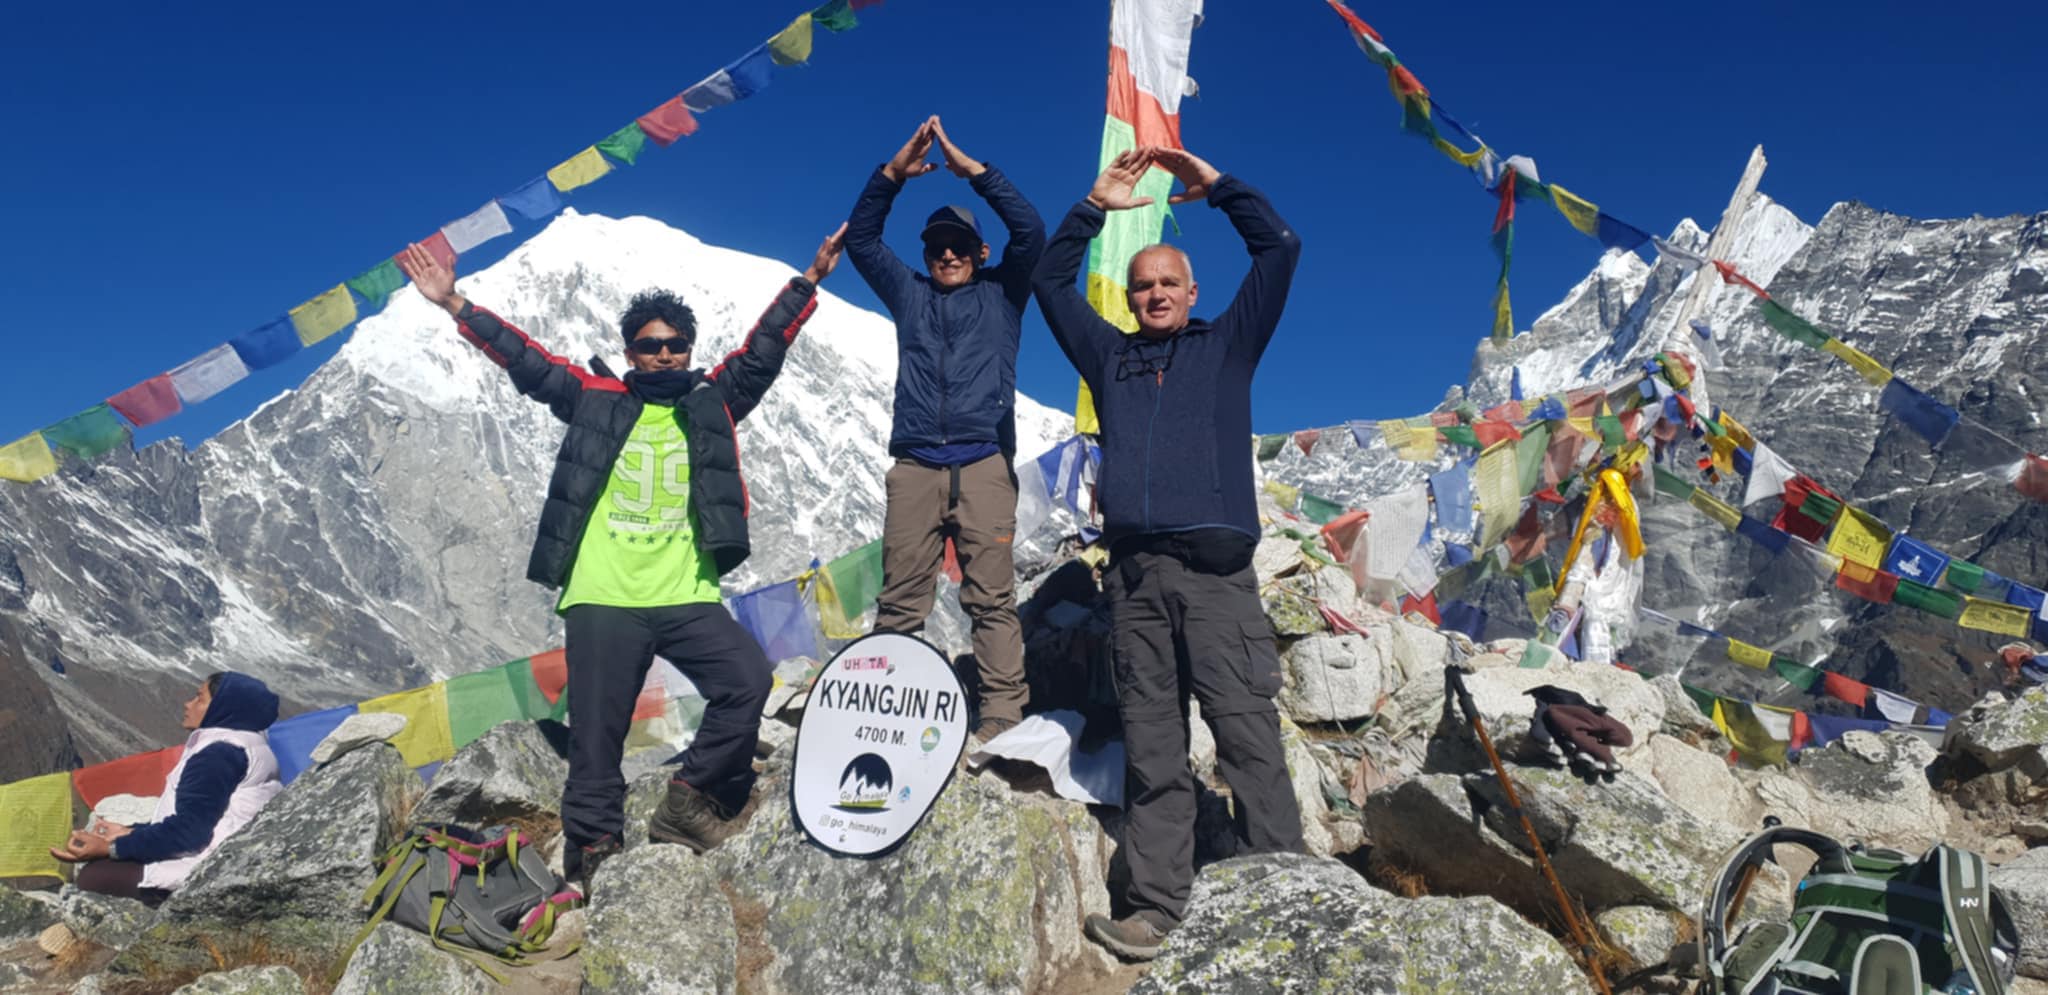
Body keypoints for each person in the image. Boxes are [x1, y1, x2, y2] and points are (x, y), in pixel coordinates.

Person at [397, 224, 846, 890]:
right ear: (629, 351)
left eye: (675, 345)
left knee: (748, 680)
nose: (663, 355)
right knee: (597, 738)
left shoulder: (711, 403)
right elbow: (529, 362)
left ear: (689, 350)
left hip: (684, 592)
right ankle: (592, 861)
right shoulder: (595, 399)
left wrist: (807, 281)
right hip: (604, 594)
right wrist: (456, 303)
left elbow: (762, 351)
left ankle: (685, 800)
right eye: (649, 345)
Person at [1031, 146, 1305, 961]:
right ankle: (1156, 906)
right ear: (1129, 296)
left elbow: (1280, 248)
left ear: (1193, 294)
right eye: (1141, 285)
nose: (1153, 294)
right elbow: (1048, 284)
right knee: (1154, 745)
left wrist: (1217, 188)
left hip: (1217, 578)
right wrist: (1093, 206)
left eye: (1168, 284)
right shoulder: (1109, 358)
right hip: (1136, 581)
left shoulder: (1228, 348)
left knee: (1245, 732)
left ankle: (1283, 892)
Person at [844, 116, 1044, 746]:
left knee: (991, 598)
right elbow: (864, 241)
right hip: (915, 466)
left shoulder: (1005, 292)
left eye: (960, 244)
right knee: (901, 602)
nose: (949, 254)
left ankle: (1002, 720)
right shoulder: (910, 294)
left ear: (980, 252)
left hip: (984, 463)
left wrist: (976, 174)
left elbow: (1031, 231)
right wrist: (890, 176)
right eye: (937, 246)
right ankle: (882, 716)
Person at [50, 672, 282, 906]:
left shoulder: (217, 756)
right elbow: (212, 820)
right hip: (232, 856)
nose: (188, 703)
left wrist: (111, 847)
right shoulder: (248, 744)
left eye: (199, 698)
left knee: (95, 877)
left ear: (223, 707)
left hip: (212, 868)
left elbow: (190, 834)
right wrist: (129, 832)